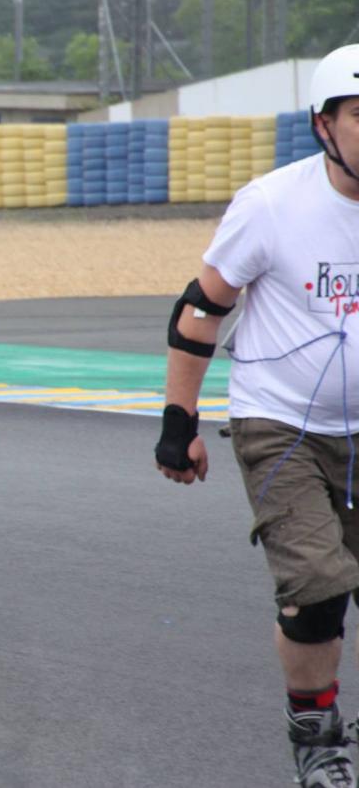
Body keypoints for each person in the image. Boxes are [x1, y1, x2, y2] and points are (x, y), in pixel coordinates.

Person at [155, 44, 359, 787]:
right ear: (324, 125)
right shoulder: (272, 204)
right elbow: (201, 311)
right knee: (317, 587)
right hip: (282, 424)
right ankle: (317, 735)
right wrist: (179, 420)